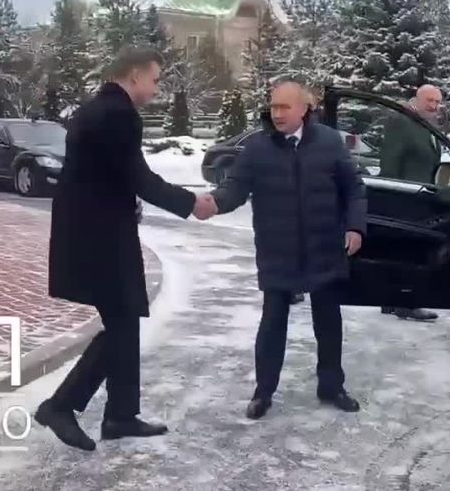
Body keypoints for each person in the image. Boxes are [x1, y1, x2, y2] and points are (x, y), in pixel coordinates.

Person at [35, 46, 216, 452]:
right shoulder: (119, 114)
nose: (157, 89)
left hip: (89, 230)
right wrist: (191, 203)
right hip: (101, 237)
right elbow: (138, 176)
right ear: (134, 76)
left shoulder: (93, 109)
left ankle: (120, 414)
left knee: (125, 319)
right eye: (154, 80)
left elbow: (106, 174)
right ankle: (61, 405)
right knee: (121, 323)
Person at [209, 78, 367, 420]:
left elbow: (353, 189)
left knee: (328, 322)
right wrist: (212, 203)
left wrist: (355, 227)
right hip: (277, 249)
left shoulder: (329, 142)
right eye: (273, 106)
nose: (277, 113)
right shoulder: (257, 148)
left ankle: (331, 386)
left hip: (324, 246)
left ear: (304, 109)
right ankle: (263, 392)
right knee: (272, 323)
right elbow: (234, 189)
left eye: (284, 107)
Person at [377, 84, 444, 322]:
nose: (434, 106)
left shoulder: (427, 125)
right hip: (404, 197)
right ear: (417, 99)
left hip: (421, 197)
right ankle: (405, 303)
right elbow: (390, 162)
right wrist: (392, 196)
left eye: (437, 102)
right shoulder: (401, 122)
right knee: (407, 250)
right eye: (430, 101)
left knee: (403, 250)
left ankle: (390, 300)